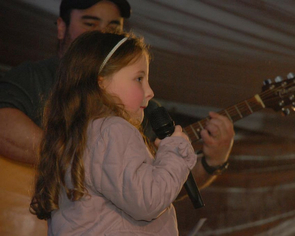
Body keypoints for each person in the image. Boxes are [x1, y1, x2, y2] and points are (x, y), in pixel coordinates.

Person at [0, 0, 233, 193]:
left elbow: (158, 191)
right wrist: (80, 161)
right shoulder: (32, 76)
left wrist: (213, 162)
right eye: (90, 23)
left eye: (114, 27)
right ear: (61, 27)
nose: (102, 33)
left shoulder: (142, 106)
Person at [30, 30, 197, 235]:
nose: (150, 91)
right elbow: (148, 200)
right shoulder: (112, 131)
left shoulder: (77, 136)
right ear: (102, 82)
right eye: (139, 79)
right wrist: (175, 152)